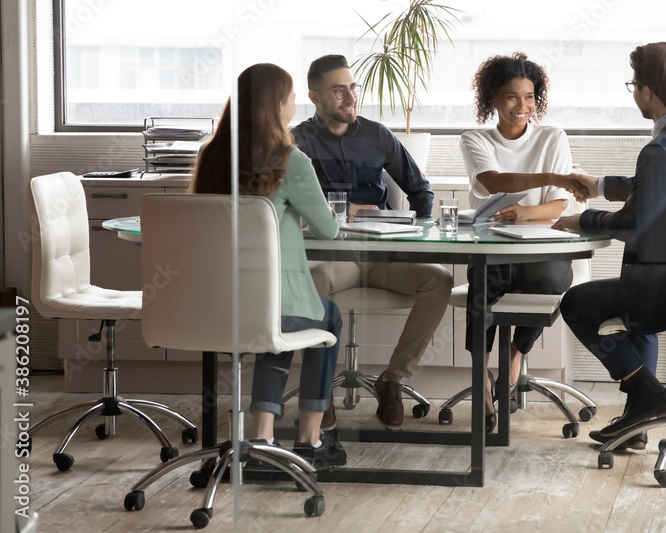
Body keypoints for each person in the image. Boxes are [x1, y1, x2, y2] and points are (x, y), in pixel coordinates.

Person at [554, 42, 666, 450]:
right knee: (630, 292)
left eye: (633, 85)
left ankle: (651, 396)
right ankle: (639, 416)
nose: (634, 92)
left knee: (577, 305)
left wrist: (581, 220)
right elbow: (658, 188)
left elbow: (633, 224)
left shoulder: (660, 149)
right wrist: (598, 185)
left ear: (647, 91)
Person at [190, 62, 346, 470]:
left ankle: (261, 435)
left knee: (276, 322)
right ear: (278, 105)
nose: (294, 104)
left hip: (214, 305)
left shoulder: (210, 156)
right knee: (322, 318)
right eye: (291, 97)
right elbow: (328, 229)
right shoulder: (290, 160)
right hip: (271, 306)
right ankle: (309, 439)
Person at [292, 54, 453, 431]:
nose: (350, 97)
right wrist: (344, 213)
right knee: (312, 282)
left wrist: (418, 235)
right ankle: (319, 393)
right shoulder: (297, 140)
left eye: (353, 87)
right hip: (334, 257)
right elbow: (285, 200)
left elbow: (419, 190)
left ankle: (393, 379)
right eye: (338, 90)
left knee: (439, 279)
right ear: (314, 97)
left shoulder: (378, 135)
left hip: (383, 254)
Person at [460, 52, 589, 430]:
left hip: (543, 248)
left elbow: (559, 205)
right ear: (493, 99)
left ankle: (516, 352)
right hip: (494, 244)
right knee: (483, 284)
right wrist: (553, 177)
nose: (522, 106)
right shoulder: (474, 139)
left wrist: (525, 213)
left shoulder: (552, 137)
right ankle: (479, 376)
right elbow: (494, 182)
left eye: (530, 96)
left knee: (550, 283)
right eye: (512, 96)